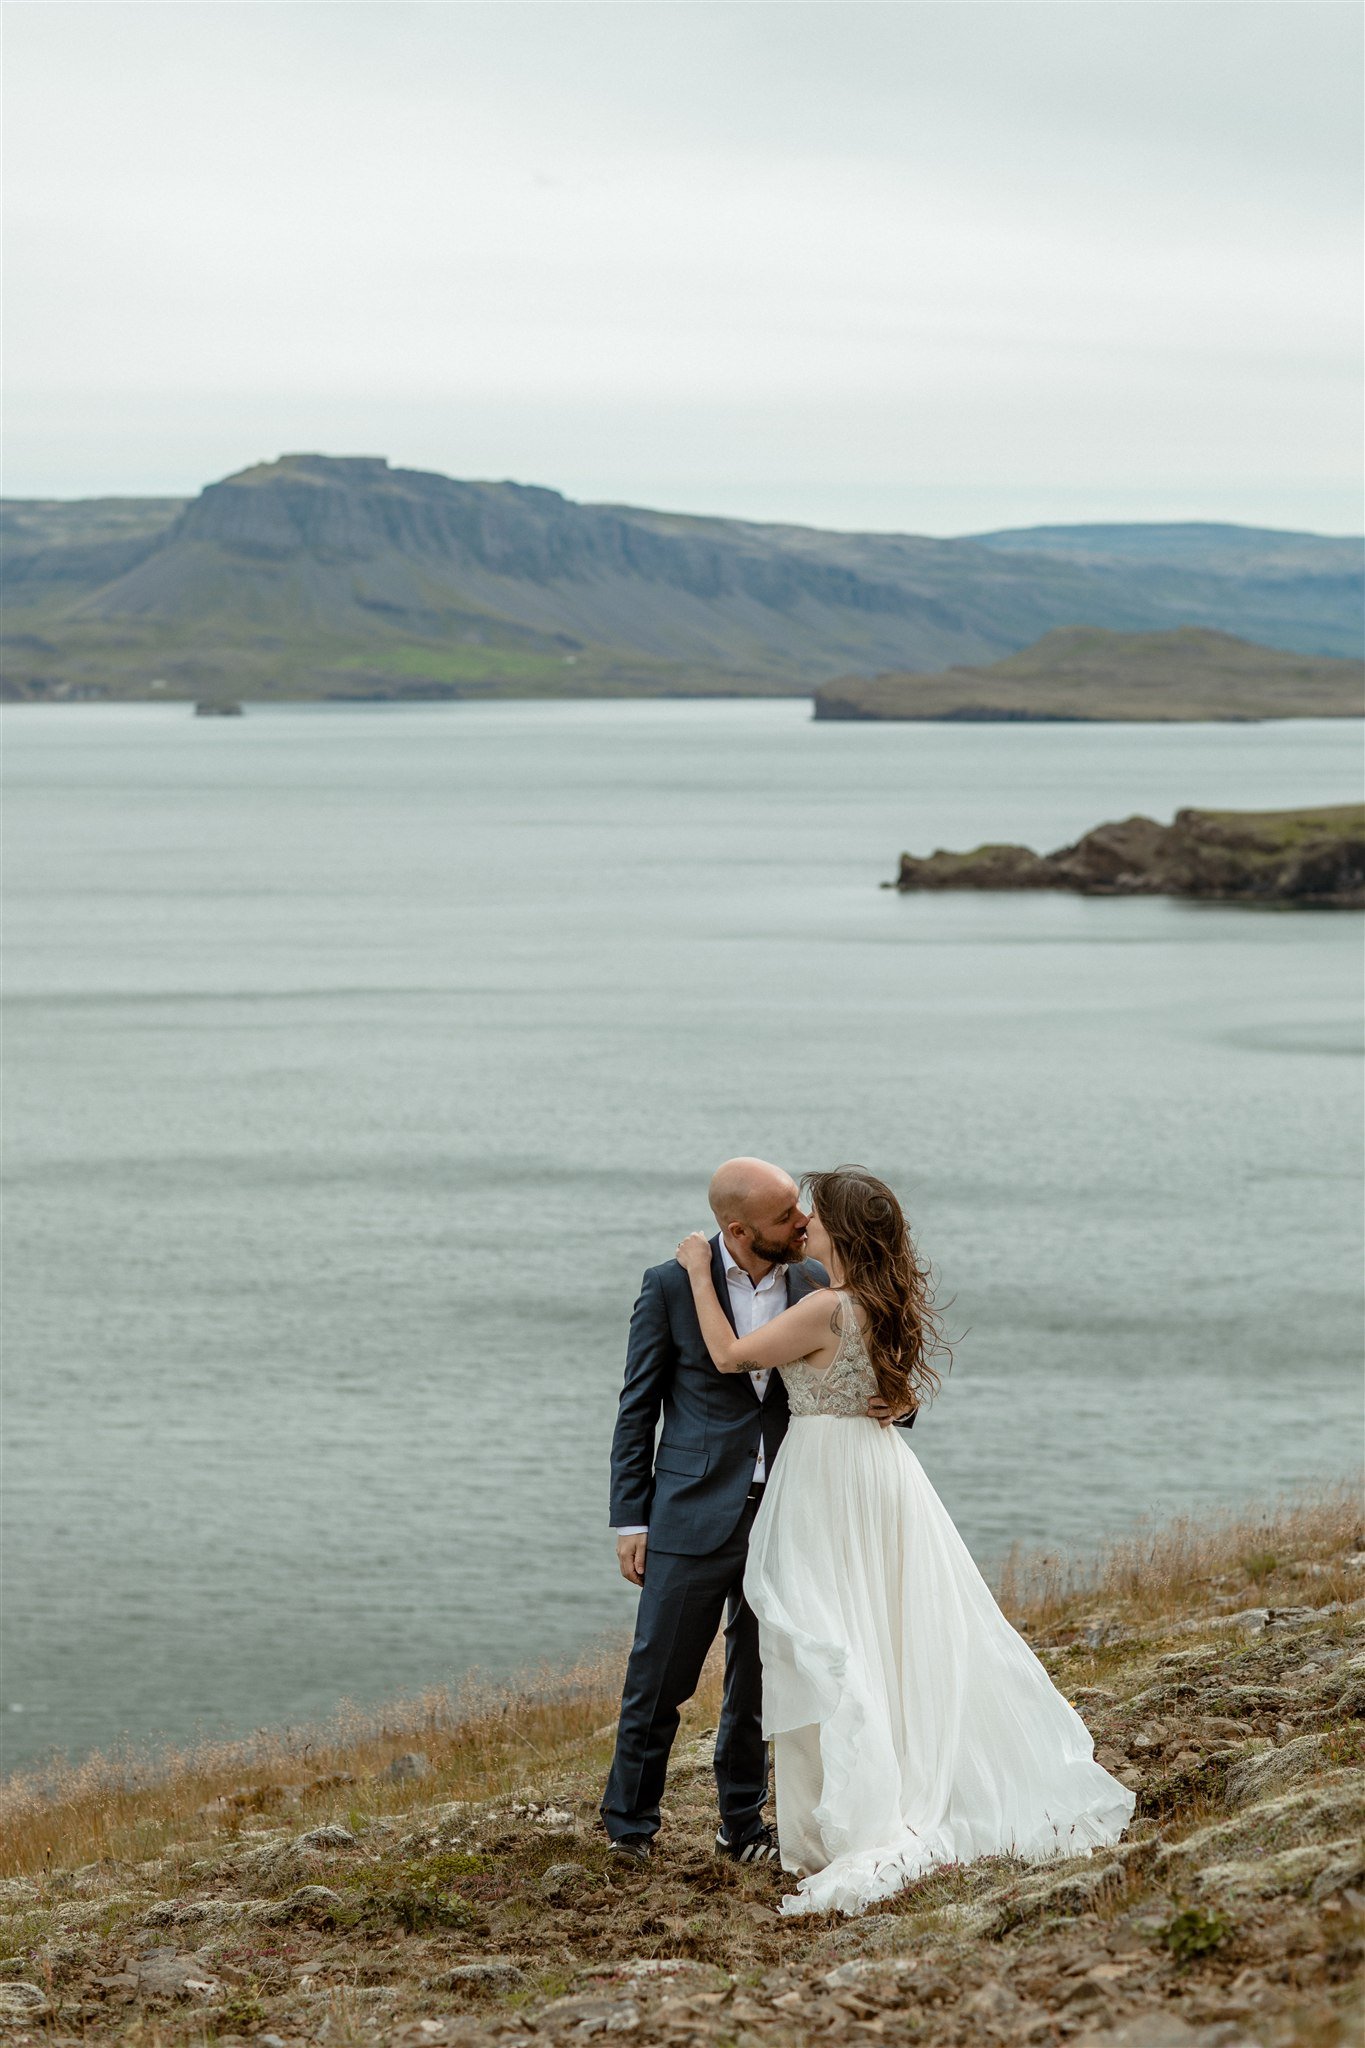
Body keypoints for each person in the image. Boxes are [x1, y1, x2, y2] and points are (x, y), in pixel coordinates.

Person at [674, 1164, 1136, 1916]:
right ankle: (876, 1781)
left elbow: (730, 1356)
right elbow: (892, 1397)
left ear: (841, 1232)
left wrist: (699, 1272)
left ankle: (853, 1810)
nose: (803, 1225)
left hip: (825, 1477)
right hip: (881, 1475)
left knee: (822, 1628)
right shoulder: (881, 1304)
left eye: (814, 1216)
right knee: (886, 1627)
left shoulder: (826, 1308)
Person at [600, 1157, 916, 1866]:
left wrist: (901, 1403)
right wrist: (631, 1520)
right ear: (739, 1228)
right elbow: (636, 1408)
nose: (803, 1223)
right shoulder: (670, 1286)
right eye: (785, 1216)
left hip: (793, 1514)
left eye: (802, 1213)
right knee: (658, 1677)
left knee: (758, 1679)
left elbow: (871, 1365)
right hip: (689, 1512)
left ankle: (741, 1827)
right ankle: (628, 1826)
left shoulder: (815, 1283)